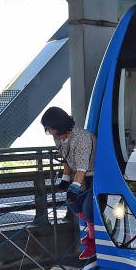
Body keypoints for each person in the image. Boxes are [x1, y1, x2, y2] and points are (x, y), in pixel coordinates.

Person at [42, 106, 97, 261]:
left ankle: (93, 241)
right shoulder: (58, 137)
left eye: (50, 127)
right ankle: (94, 230)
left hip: (94, 174)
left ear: (59, 125)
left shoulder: (82, 138)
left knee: (88, 207)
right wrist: (65, 180)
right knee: (72, 203)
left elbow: (82, 167)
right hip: (79, 175)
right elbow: (65, 158)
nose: (49, 131)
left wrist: (74, 187)